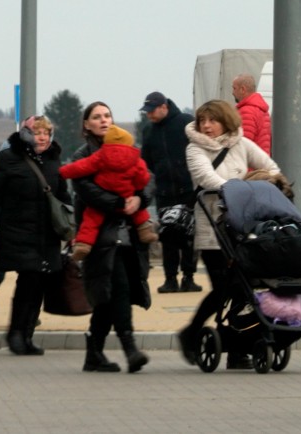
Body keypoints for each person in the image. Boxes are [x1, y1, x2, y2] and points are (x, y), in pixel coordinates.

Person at [177, 99, 280, 369]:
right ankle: (191, 332)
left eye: (213, 120)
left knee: (244, 287)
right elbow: (206, 179)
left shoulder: (241, 143)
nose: (207, 126)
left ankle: (238, 347)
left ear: (226, 121)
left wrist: (272, 180)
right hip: (212, 228)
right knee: (224, 286)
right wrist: (242, 190)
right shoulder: (195, 149)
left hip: (241, 227)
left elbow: (270, 166)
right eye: (202, 121)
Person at [70, 101, 154, 373]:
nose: (104, 120)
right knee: (119, 289)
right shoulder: (83, 155)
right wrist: (121, 202)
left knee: (109, 296)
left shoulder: (128, 150)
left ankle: (93, 354)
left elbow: (147, 180)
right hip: (99, 237)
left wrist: (139, 198)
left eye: (107, 115)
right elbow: (86, 190)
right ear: (87, 124)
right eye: (97, 117)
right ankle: (130, 349)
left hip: (129, 235)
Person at [0, 115, 66, 356]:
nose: (42, 137)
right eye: (37, 132)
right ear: (27, 135)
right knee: (28, 280)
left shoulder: (54, 161)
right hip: (18, 231)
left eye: (46, 133)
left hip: (47, 234)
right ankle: (16, 333)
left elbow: (63, 197)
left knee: (39, 282)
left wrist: (71, 227)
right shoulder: (8, 159)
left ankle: (27, 335)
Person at [58, 126, 158, 261]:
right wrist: (138, 190)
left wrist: (63, 172)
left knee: (91, 219)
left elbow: (82, 166)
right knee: (139, 213)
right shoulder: (135, 158)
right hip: (128, 194)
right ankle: (145, 231)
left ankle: (83, 244)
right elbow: (143, 177)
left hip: (105, 193)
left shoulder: (101, 155)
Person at [139, 91, 201, 293]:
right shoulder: (149, 130)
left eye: (152, 111)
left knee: (189, 236)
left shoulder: (186, 122)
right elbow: (146, 158)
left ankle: (189, 277)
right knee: (168, 238)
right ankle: (170, 278)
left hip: (188, 189)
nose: (149, 115)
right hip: (165, 191)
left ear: (164, 107)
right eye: (147, 111)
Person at [233, 74, 273, 155]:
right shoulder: (262, 110)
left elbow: (242, 145)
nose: (232, 92)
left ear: (242, 89)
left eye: (234, 88)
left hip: (250, 166)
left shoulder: (247, 111)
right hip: (261, 163)